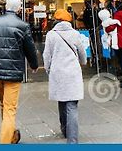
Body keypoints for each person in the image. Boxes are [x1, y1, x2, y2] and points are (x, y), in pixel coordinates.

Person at [0, 0, 39, 144]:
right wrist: (34, 65)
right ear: (19, 9)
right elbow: (30, 49)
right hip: (13, 73)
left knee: (3, 105)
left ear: (6, 7)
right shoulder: (23, 25)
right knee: (10, 109)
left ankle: (11, 136)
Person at [43, 9, 87, 144]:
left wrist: (48, 69)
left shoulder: (51, 35)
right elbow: (82, 53)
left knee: (62, 101)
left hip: (58, 72)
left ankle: (64, 130)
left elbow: (46, 55)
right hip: (72, 73)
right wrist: (83, 62)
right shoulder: (75, 34)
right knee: (72, 105)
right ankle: (72, 140)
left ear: (56, 20)